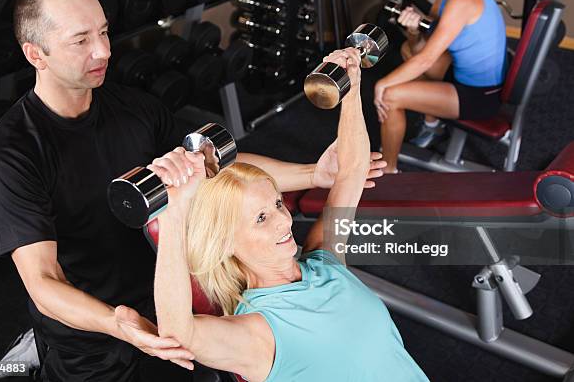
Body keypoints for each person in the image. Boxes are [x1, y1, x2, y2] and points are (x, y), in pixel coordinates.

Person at [0, 0, 386, 381]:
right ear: (36, 54)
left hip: (171, 288)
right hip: (92, 325)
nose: (104, 50)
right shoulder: (15, 151)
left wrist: (313, 174)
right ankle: (12, 365)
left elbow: (215, 166)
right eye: (81, 40)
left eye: (104, 32)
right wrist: (114, 322)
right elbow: (43, 281)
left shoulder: (134, 107)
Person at [141, 47, 428, 381]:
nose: (284, 220)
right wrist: (174, 212)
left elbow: (351, 171)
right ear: (224, 242)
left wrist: (351, 87)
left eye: (277, 204)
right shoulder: (259, 331)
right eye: (261, 218)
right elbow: (179, 334)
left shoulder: (325, 262)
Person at [375, 0, 507, 172]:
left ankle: (388, 172)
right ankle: (432, 124)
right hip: (459, 75)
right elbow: (420, 47)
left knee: (389, 96)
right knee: (408, 48)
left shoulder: (463, 1)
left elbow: (426, 60)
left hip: (479, 97)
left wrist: (383, 83)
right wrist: (415, 29)